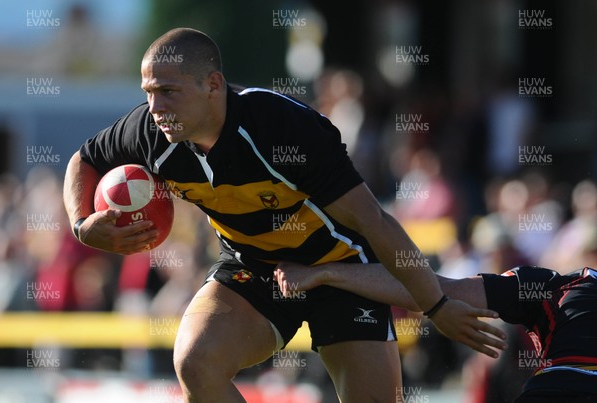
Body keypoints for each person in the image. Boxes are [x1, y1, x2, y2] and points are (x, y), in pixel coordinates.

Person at [62, 27, 506, 402]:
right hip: (254, 268)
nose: (154, 108)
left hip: (342, 266)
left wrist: (437, 305)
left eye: (168, 92)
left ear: (213, 85)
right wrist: (82, 226)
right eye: (148, 92)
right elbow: (83, 160)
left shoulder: (282, 129)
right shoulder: (148, 131)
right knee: (196, 364)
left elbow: (374, 221)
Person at [274, 262, 597, 402]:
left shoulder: (559, 286)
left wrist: (329, 273)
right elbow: (431, 290)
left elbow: (435, 289)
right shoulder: (557, 287)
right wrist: (329, 273)